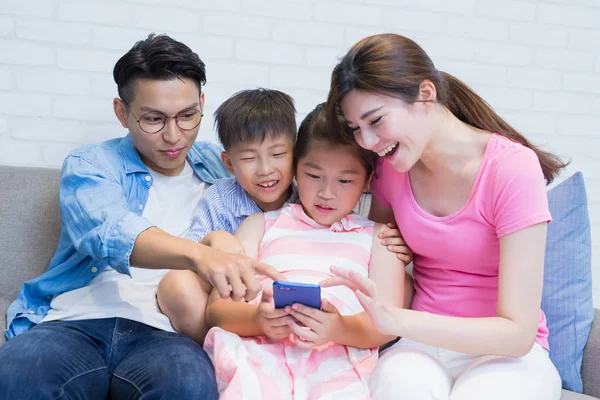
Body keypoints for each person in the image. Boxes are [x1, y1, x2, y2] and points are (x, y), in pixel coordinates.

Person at [0, 34, 282, 399]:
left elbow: (301, 175)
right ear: (122, 112)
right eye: (153, 119)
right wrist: (201, 255)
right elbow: (111, 231)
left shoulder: (225, 164)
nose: (173, 135)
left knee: (189, 386)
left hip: (167, 332)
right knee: (19, 375)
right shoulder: (92, 165)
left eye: (187, 116)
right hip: (74, 323)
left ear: (201, 104)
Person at [324, 33, 566, 400]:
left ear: (425, 94)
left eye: (376, 121)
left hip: (506, 354)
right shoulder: (391, 169)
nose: (368, 141)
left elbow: (518, 333)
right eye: (357, 129)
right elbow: (385, 269)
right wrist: (394, 257)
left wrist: (396, 319)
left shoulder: (511, 168)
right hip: (418, 348)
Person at [201, 103, 406, 399]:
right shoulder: (259, 225)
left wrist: (339, 328)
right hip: (259, 356)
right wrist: (258, 320)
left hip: (336, 363)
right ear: (295, 168)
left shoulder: (379, 237)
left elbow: (388, 324)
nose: (326, 193)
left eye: (345, 180)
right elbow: (217, 309)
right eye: (313, 175)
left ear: (368, 180)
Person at [157, 88, 299, 343]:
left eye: (278, 155)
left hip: (287, 299)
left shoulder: (307, 196)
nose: (265, 170)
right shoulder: (220, 199)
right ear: (229, 163)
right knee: (176, 284)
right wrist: (215, 240)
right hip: (228, 304)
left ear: (296, 154)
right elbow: (191, 258)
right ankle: (221, 348)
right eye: (248, 158)